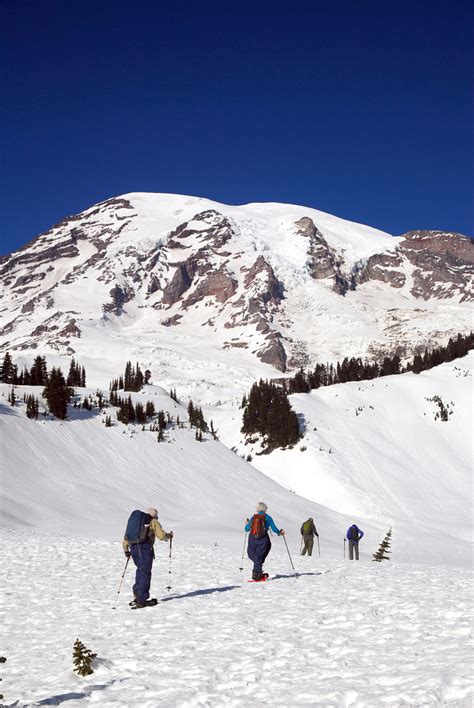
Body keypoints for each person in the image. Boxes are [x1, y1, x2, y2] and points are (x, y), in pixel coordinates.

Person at [123, 507, 173, 608]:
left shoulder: (136, 522)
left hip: (133, 548)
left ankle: (137, 594)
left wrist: (126, 551)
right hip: (145, 549)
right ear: (154, 516)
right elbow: (161, 535)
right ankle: (142, 600)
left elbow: (126, 538)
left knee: (140, 570)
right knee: (145, 572)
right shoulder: (153, 521)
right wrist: (169, 536)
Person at [245, 502, 284, 581]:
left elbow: (246, 529)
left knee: (252, 555)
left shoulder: (254, 517)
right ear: (265, 509)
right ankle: (257, 574)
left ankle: (257, 572)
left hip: (252, 539)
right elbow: (274, 528)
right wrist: (280, 532)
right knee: (259, 556)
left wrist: (248, 523)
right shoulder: (268, 517)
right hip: (263, 539)